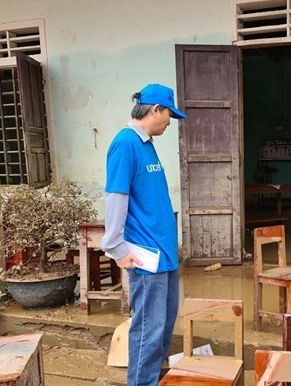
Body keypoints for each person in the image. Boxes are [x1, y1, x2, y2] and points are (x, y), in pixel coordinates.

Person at [101, 83, 186, 386]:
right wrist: (116, 246)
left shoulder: (146, 143)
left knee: (162, 327)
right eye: (168, 115)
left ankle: (150, 379)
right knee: (148, 329)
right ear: (155, 110)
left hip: (164, 253)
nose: (169, 122)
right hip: (146, 256)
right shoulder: (125, 144)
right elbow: (115, 196)